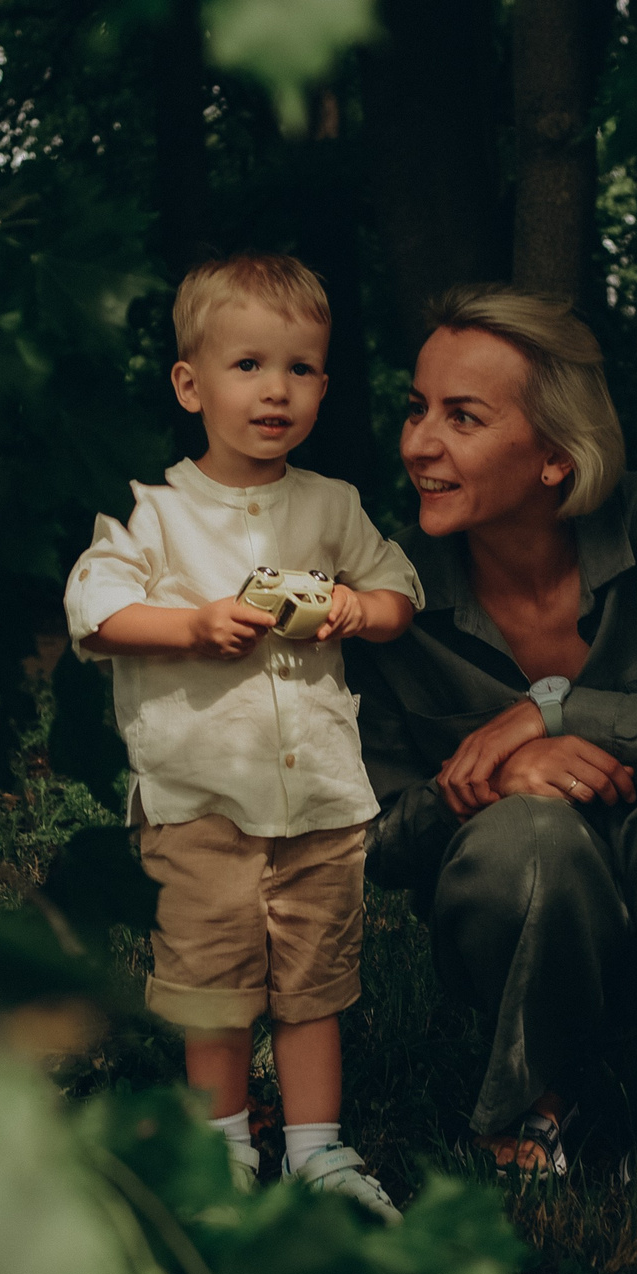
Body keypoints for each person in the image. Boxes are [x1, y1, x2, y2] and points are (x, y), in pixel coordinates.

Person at [349, 285, 637, 1193]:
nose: (417, 444)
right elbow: (378, 847)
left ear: (555, 456)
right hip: (522, 930)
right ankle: (538, 1096)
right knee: (527, 837)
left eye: (461, 417)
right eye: (415, 409)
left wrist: (562, 710)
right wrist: (481, 781)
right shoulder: (388, 592)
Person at [65, 254, 423, 1222]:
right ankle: (220, 1145)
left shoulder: (331, 504)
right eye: (250, 365)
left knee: (314, 981)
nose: (277, 390)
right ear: (191, 383)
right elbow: (93, 608)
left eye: (301, 368)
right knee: (213, 983)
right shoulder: (155, 510)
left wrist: (356, 605)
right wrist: (188, 624)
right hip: (200, 801)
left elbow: (401, 594)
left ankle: (318, 1148)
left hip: (318, 799)